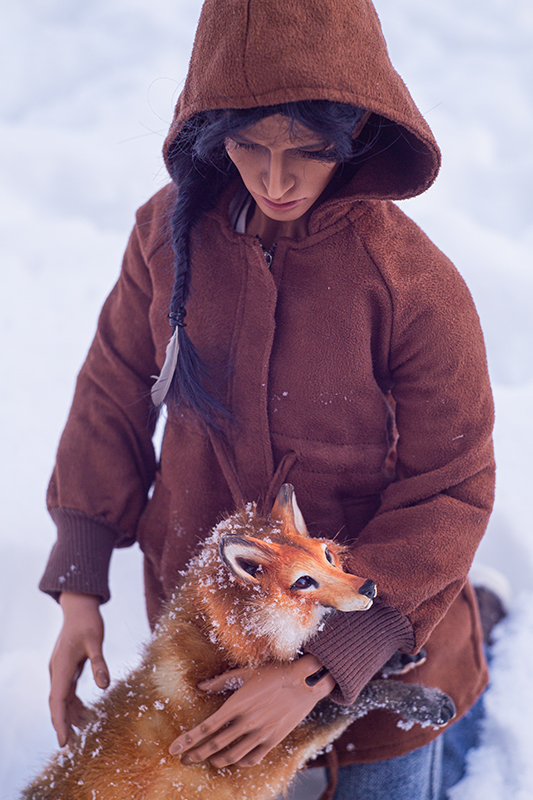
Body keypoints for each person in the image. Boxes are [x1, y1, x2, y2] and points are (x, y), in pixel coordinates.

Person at [39, 1, 496, 798]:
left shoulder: (414, 285)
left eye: (308, 152)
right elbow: (111, 394)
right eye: (250, 147)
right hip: (212, 645)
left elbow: (451, 489)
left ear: (355, 131)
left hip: (381, 645)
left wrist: (320, 671)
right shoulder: (166, 235)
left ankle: (482, 643)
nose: (276, 180)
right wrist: (80, 584)